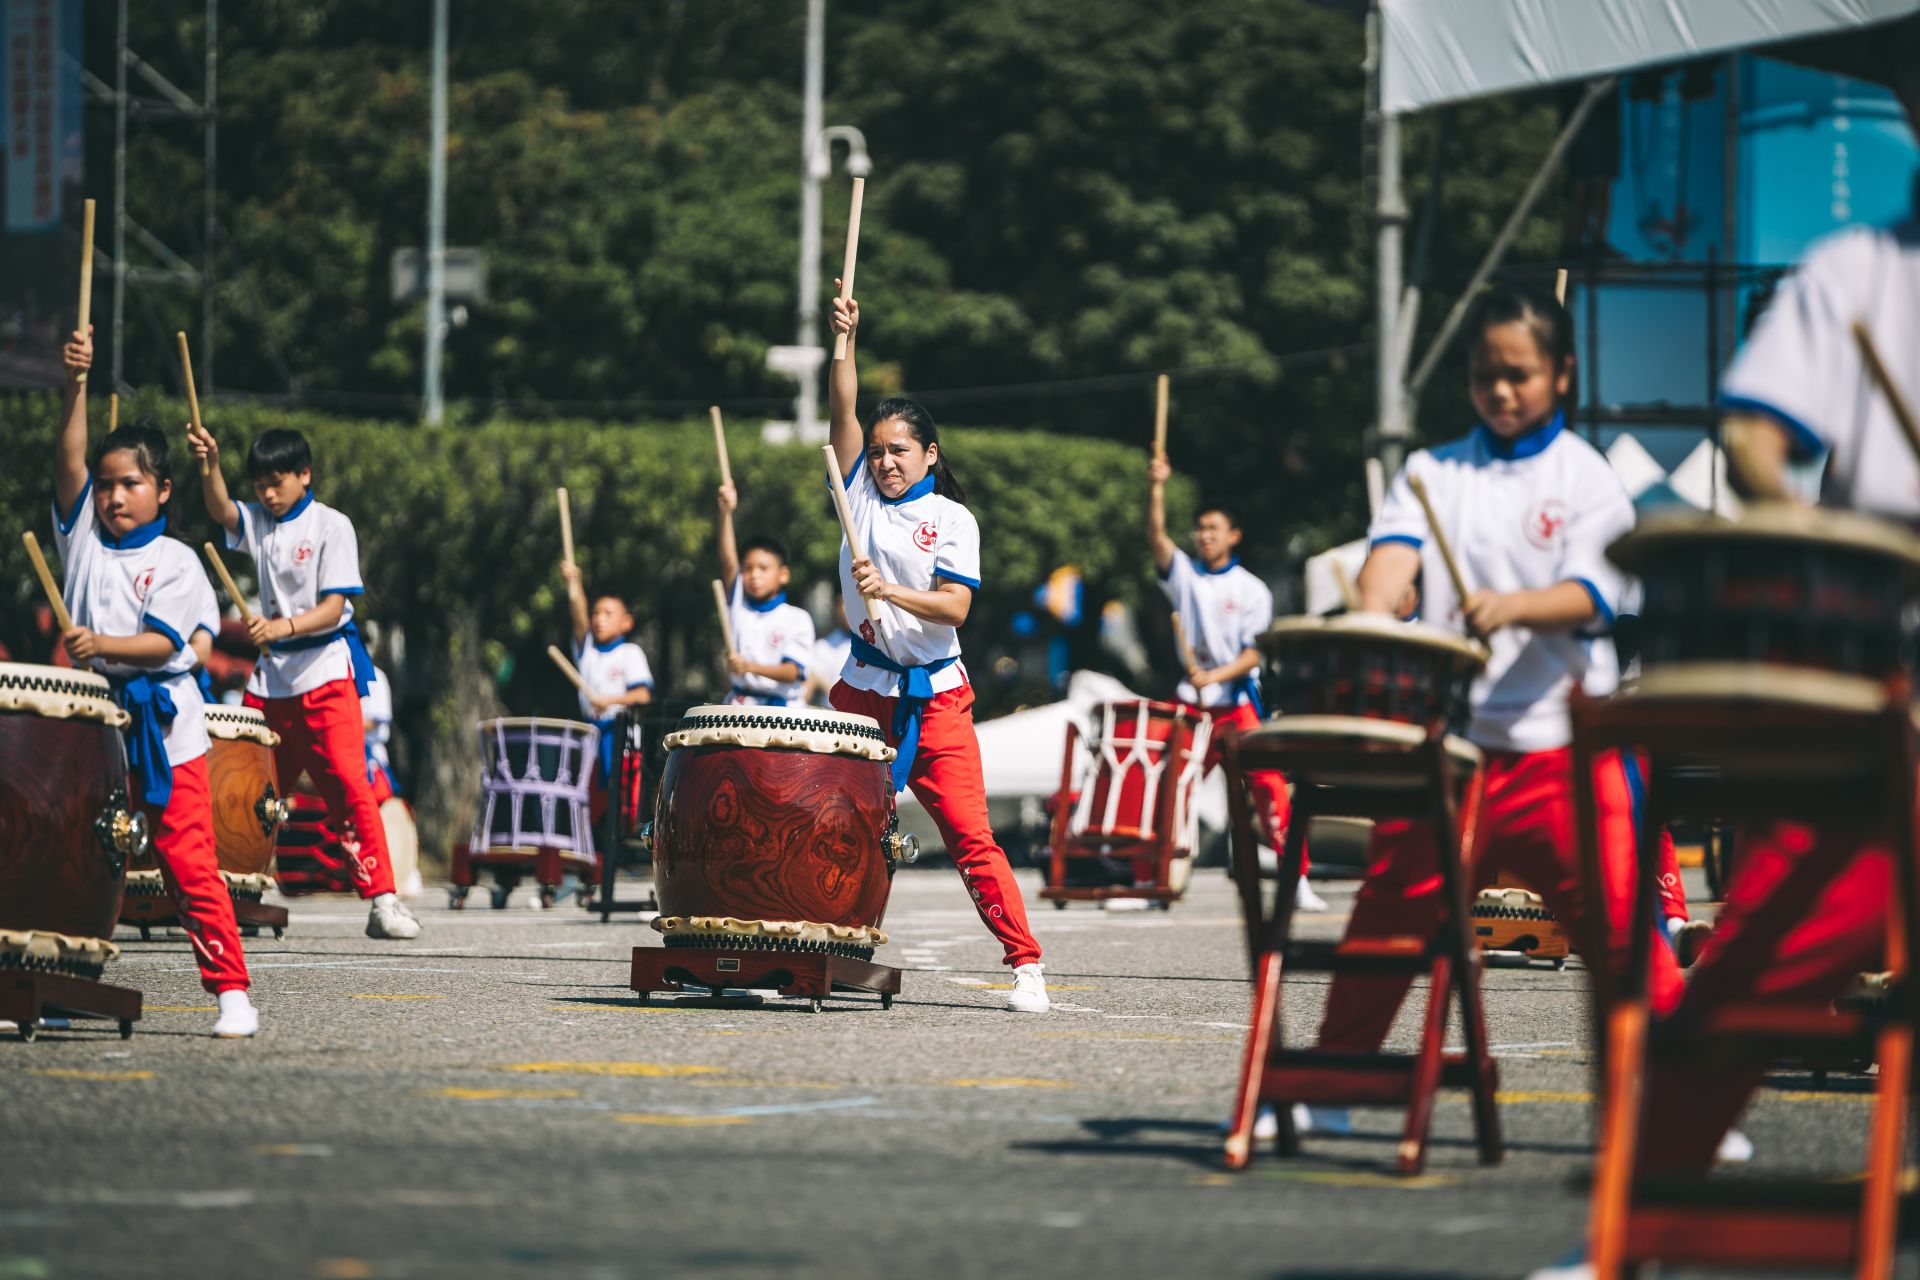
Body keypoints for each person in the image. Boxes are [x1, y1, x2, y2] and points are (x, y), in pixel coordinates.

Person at [1322, 286, 1686, 1127]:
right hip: (1453, 753)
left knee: (1624, 936)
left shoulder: (1588, 478)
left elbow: (1594, 594)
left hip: (1567, 748)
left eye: (1518, 374)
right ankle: (1327, 1090)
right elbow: (1389, 567)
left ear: (1562, 373)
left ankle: (1684, 1107)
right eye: (1485, 374)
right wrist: (1373, 612)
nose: (1500, 390)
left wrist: (1513, 607)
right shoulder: (1432, 472)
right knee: (1387, 921)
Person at [827, 281, 1048, 1013]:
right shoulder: (857, 492)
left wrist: (888, 591)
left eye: (899, 450)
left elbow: (955, 606)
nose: (885, 461)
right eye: (877, 451)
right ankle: (821, 942)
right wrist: (845, 340)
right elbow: (842, 410)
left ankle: (1025, 964)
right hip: (863, 692)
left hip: (935, 700)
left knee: (971, 837)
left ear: (929, 454)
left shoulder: (953, 520)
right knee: (831, 822)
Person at [55, 326, 257, 1037]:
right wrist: (76, 382)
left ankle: (232, 991)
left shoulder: (176, 559)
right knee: (73, 858)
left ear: (163, 489)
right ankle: (53, 980)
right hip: (91, 725)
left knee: (187, 863)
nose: (114, 497)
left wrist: (99, 644)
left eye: (131, 484)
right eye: (107, 485)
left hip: (164, 729)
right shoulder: (81, 542)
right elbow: (69, 457)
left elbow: (166, 643)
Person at [187, 424, 420, 940]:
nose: (268, 494)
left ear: (304, 474)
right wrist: (210, 463)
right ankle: (231, 891)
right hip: (272, 680)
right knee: (248, 787)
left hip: (325, 671)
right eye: (260, 485)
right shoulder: (259, 521)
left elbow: (334, 607)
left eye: (277, 482)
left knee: (350, 787)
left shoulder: (332, 525)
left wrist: (281, 627)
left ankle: (383, 899)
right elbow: (222, 509)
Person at [1146, 462, 1324, 913]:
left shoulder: (1252, 590)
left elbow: (1253, 654)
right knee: (1169, 786)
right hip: (1192, 706)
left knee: (1269, 786)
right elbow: (1156, 536)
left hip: (1236, 703)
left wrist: (1215, 676)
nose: (1204, 536)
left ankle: (1296, 877)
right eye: (1200, 529)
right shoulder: (1185, 577)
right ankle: (1155, 879)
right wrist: (1157, 487)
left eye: (1214, 528)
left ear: (1234, 536)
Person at [559, 562, 652, 831]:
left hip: (621, 737)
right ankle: (592, 842)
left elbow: (643, 695)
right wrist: (573, 583)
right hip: (591, 736)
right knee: (589, 798)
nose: (599, 619)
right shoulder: (587, 651)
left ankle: (618, 839)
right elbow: (578, 614)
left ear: (626, 622)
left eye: (608, 613)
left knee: (620, 800)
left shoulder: (630, 653)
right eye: (596, 613)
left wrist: (608, 701)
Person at [716, 484, 815, 706]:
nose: (754, 575)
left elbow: (792, 671)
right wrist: (725, 512)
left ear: (783, 574)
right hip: (739, 705)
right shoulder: (738, 605)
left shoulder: (797, 618)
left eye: (763, 568)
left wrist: (749, 667)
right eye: (748, 569)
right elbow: (728, 559)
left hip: (782, 710)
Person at [805, 602, 855, 707]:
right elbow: (809, 683)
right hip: (833, 711)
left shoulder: (878, 644)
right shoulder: (823, 646)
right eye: (843, 604)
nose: (848, 611)